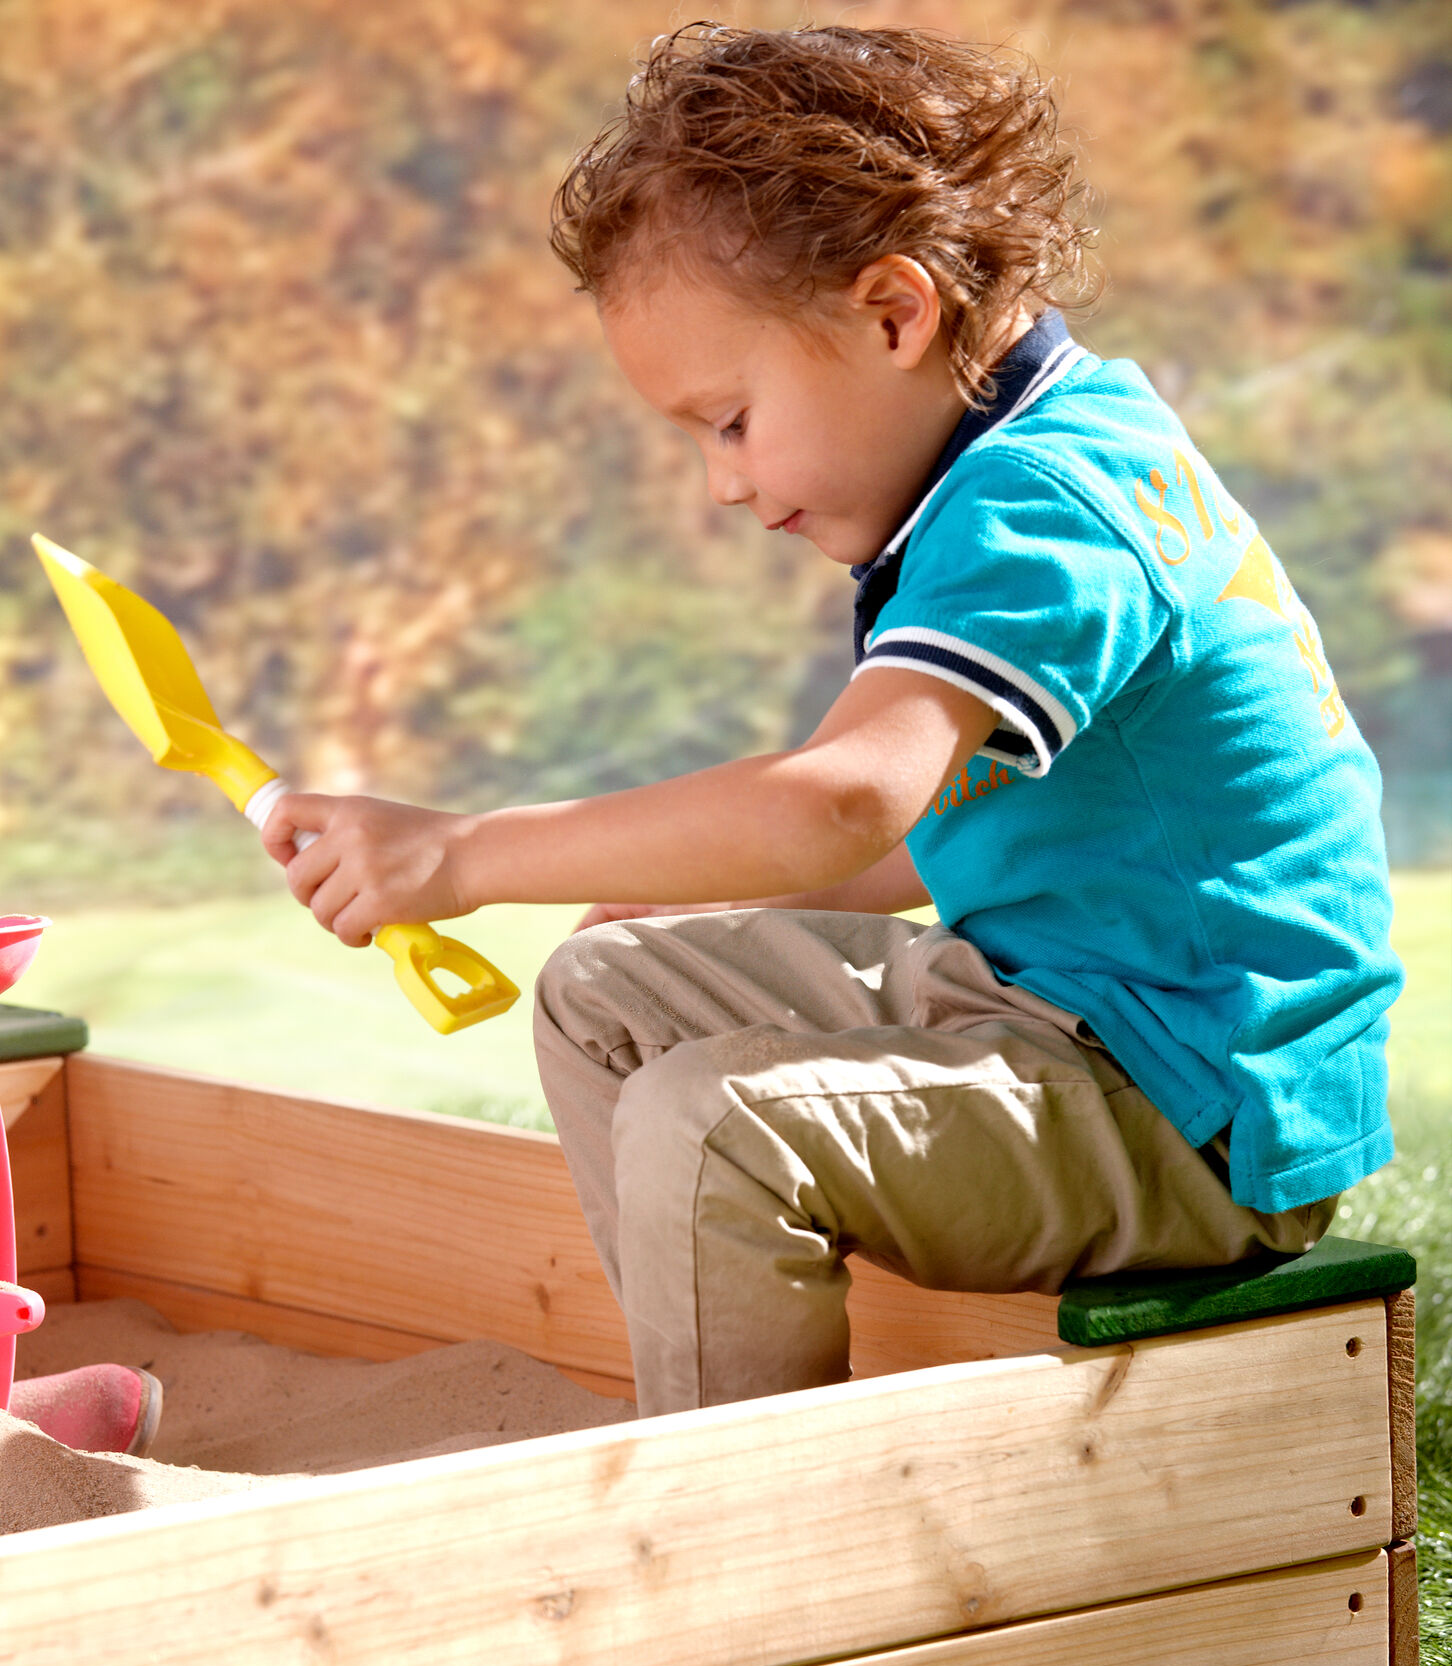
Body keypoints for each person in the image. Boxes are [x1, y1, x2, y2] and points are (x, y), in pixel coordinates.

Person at [262, 24, 1401, 1419]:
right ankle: (704, 1404)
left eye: (730, 420)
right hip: (1067, 1012)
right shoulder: (1009, 461)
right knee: (610, 988)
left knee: (715, 1124)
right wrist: (641, 896)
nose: (720, 486)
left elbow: (842, 801)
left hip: (1191, 1103)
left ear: (892, 315)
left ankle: (732, 1522)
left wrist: (464, 855)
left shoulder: (1044, 506)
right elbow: (922, 844)